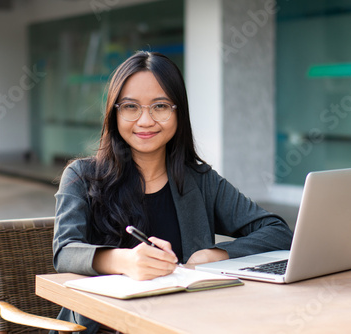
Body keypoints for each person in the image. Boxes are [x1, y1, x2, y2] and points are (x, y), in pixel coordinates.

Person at [52, 51, 293, 333]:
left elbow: (277, 231)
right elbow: (66, 252)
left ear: (178, 112)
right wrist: (126, 261)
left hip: (185, 322)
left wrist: (218, 254)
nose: (145, 121)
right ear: (114, 112)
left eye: (160, 106)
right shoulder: (81, 176)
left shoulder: (201, 181)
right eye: (131, 107)